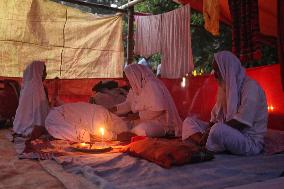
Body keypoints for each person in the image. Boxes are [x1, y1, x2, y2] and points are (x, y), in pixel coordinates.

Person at [182, 51, 268, 156]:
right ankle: (203, 143)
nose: (214, 75)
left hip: (248, 141)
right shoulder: (225, 89)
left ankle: (205, 143)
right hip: (227, 132)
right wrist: (208, 130)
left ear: (228, 69)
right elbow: (215, 118)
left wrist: (210, 131)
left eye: (217, 70)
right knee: (189, 121)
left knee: (218, 130)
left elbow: (242, 122)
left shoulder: (251, 87)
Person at [111, 64, 182, 137]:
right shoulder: (135, 88)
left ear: (133, 76)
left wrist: (138, 115)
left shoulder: (152, 85)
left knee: (141, 130)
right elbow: (128, 104)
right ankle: (128, 134)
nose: (126, 83)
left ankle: (129, 135)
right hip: (143, 121)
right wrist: (114, 109)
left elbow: (158, 110)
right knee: (120, 123)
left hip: (159, 123)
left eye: (127, 80)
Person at [45, 102, 129, 142]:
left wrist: (115, 136)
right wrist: (116, 137)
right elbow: (96, 131)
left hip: (55, 117)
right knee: (79, 134)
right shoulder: (102, 113)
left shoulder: (101, 113)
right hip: (55, 117)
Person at [13, 61, 49, 136]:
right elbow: (39, 115)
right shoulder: (35, 87)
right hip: (32, 126)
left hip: (20, 125)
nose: (45, 74)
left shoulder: (29, 85)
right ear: (37, 70)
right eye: (43, 70)